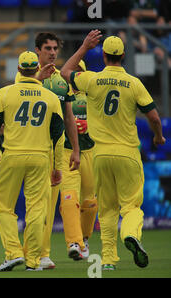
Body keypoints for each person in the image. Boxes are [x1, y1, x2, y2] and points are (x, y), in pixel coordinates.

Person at [61, 31, 166, 270]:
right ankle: (130, 234)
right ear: (123, 55)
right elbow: (154, 117)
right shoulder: (133, 83)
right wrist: (158, 136)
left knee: (107, 209)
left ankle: (108, 259)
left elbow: (65, 72)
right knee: (131, 206)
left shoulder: (92, 80)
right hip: (127, 152)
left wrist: (84, 47)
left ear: (105, 55)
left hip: (100, 155)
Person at [0, 51, 65, 271]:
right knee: (37, 209)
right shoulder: (50, 97)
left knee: (3, 206)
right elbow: (59, 136)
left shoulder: (5, 94)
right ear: (36, 69)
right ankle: (33, 262)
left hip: (12, 155)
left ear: (19, 70)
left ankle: (12, 252)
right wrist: (58, 166)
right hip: (40, 157)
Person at [16, 32, 80, 270]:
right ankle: (27, 253)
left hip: (55, 151)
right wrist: (38, 80)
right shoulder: (25, 73)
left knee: (49, 205)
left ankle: (41, 253)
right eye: (48, 48)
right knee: (37, 205)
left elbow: (68, 117)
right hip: (31, 148)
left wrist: (75, 149)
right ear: (37, 50)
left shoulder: (62, 82)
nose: (52, 52)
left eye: (55, 48)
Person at [59, 60, 98, 261]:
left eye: (79, 71)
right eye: (73, 71)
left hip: (90, 150)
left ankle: (83, 237)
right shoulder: (62, 95)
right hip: (66, 152)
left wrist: (87, 124)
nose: (75, 76)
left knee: (90, 202)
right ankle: (74, 242)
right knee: (68, 197)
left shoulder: (92, 95)